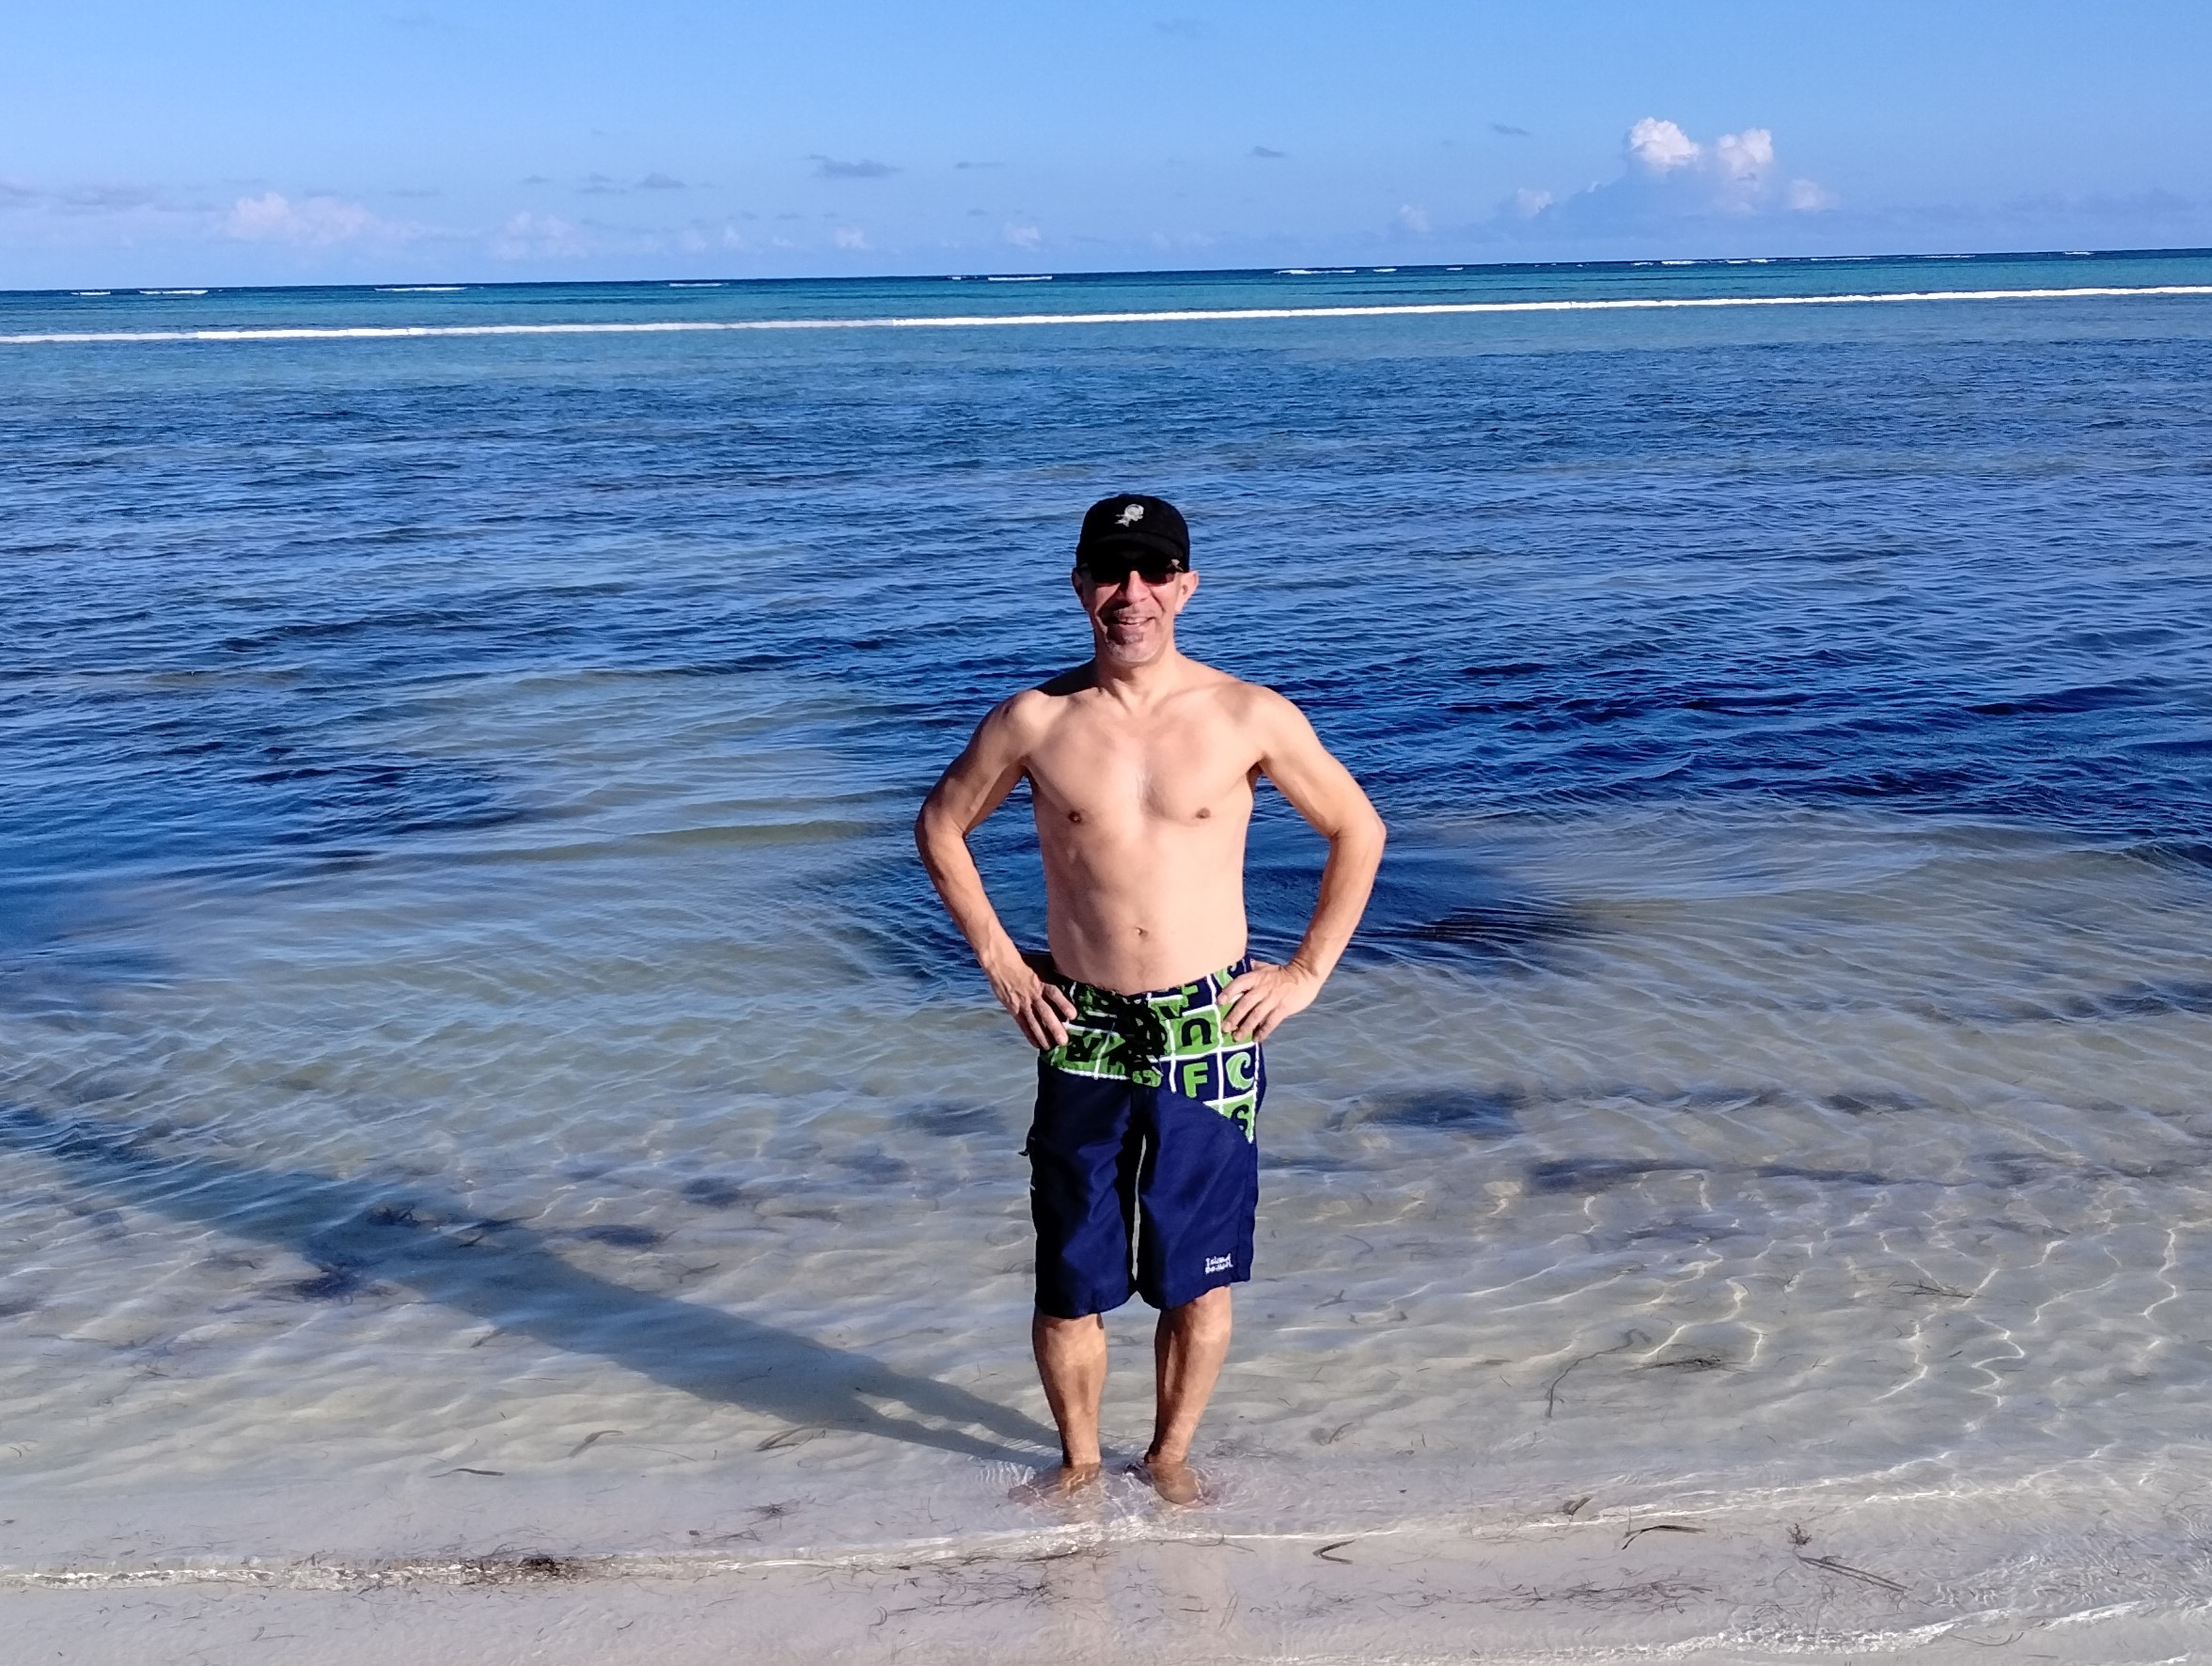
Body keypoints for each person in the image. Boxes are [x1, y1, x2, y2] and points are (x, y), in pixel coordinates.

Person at [914, 493, 1386, 1505]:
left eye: (1152, 572)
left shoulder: (1247, 715)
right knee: (1068, 1270)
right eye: (1109, 572)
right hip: (1079, 1021)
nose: (1131, 593)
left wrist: (1305, 972)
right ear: (1080, 586)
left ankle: (1167, 1459)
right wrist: (1003, 965)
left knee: (1196, 1272)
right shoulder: (1035, 720)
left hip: (1206, 1025)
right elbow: (941, 825)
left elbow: (1358, 828)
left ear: (1185, 586)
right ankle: (1079, 1465)